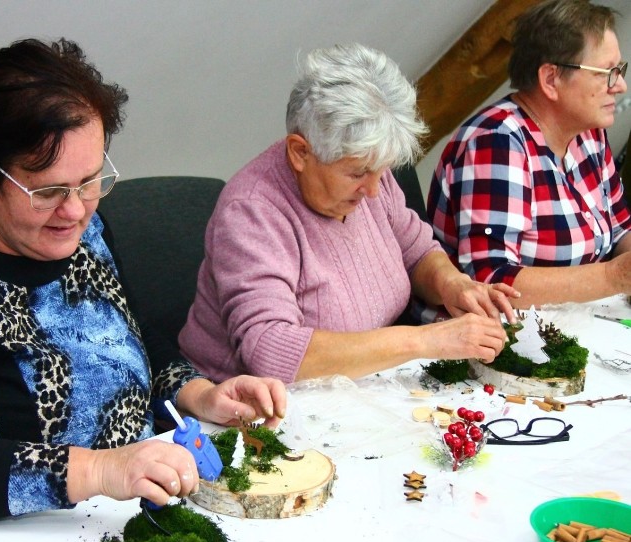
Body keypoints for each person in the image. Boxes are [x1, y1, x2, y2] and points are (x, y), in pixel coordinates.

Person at [0, 37, 286, 521]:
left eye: (91, 181)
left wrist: (198, 395)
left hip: (128, 505)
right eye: (49, 190)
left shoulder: (73, 225)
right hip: (8, 533)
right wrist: (99, 471)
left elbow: (125, 336)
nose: (75, 211)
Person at [178, 43, 519, 384]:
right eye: (357, 173)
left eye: (381, 171)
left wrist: (453, 285)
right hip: (249, 412)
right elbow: (273, 353)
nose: (373, 190)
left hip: (359, 387)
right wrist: (425, 342)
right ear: (300, 152)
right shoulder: (252, 212)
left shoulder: (370, 176)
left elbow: (416, 253)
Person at [427, 0, 631, 308]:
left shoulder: (588, 131)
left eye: (620, 70)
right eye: (606, 72)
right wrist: (615, 277)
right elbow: (491, 280)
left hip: (575, 323)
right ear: (551, 80)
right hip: (493, 339)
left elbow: (620, 229)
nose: (621, 86)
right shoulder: (496, 143)